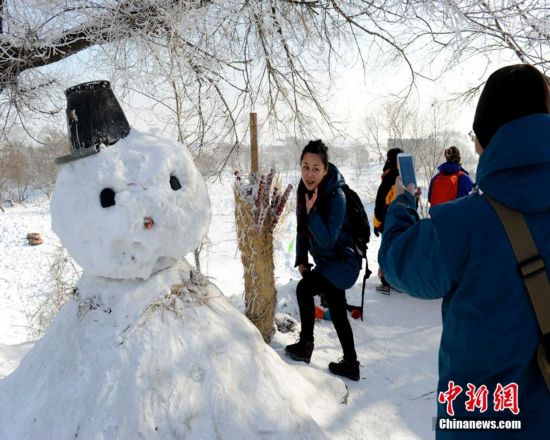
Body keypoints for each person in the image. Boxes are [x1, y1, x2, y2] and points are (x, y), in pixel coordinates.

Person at [379, 64, 550, 437]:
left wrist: (403, 206)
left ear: (489, 137)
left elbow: (397, 263)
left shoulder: (462, 224)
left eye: (476, 135)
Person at [285, 140, 361, 381]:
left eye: (316, 168)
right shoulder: (304, 190)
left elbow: (327, 240)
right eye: (305, 166)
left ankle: (306, 345)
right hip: (329, 262)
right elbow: (301, 228)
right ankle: (351, 363)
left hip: (344, 262)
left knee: (304, 289)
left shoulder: (335, 196)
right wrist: (301, 257)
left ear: (325, 170)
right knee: (337, 310)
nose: (309, 173)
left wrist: (312, 212)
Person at [373, 148, 403, 293]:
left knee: (386, 252)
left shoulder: (389, 177)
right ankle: (397, 282)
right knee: (399, 252)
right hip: (403, 222)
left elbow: (380, 204)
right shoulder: (406, 176)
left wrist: (377, 224)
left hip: (389, 223)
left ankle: (386, 282)